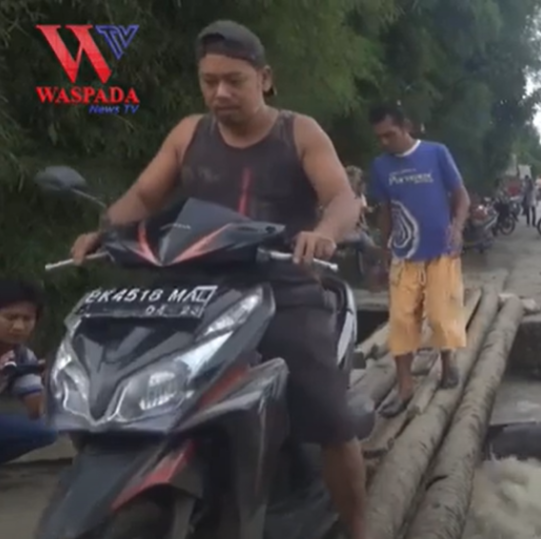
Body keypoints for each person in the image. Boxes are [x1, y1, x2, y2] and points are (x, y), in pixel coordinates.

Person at [67, 21, 368, 538]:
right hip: (195, 289)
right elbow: (143, 197)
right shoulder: (188, 134)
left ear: (265, 79)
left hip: (281, 287)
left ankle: (362, 529)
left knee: (330, 419)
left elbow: (341, 198)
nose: (220, 93)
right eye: (209, 82)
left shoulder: (299, 132)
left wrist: (323, 233)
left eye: (234, 80)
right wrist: (105, 231)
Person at [367, 104, 470, 418]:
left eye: (390, 134)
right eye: (380, 137)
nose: (385, 142)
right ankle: (404, 389)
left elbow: (461, 196)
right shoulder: (380, 166)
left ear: (406, 126)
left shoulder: (436, 153)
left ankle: (448, 363)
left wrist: (457, 229)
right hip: (404, 255)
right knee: (401, 322)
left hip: (441, 251)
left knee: (440, 316)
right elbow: (385, 211)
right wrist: (383, 252)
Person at [0, 279, 58, 465]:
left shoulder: (21, 356)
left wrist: (50, 381)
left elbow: (37, 411)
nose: (19, 327)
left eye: (27, 319)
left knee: (45, 431)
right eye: (10, 318)